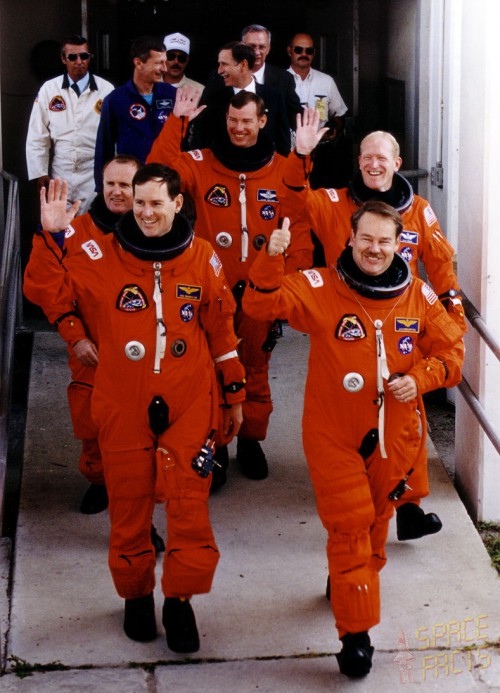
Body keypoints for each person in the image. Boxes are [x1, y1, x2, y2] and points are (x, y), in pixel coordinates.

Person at [243, 201, 464, 678]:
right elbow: (259, 304)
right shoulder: (321, 286)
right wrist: (270, 256)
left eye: (385, 241)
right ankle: (355, 636)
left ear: (399, 244)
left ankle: (346, 583)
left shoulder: (419, 296)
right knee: (351, 525)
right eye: (366, 239)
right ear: (350, 238)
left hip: (394, 438)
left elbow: (452, 352)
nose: (375, 249)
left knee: (375, 527)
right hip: (333, 434)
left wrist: (422, 377)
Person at [41, 163, 245, 651]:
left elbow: (222, 332)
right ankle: (136, 597)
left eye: (156, 203)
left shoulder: (201, 259)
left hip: (190, 399)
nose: (146, 212)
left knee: (188, 506)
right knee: (129, 503)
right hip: (122, 400)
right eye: (139, 203)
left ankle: (180, 602)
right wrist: (49, 238)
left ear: (178, 204)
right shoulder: (98, 255)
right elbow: (47, 288)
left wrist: (234, 394)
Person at [281, 110, 467, 539]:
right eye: (367, 156)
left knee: (407, 416)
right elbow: (291, 203)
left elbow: (440, 265)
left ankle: (407, 505)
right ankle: (353, 490)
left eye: (382, 157)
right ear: (358, 161)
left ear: (397, 163)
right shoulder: (331, 204)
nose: (374, 164)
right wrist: (300, 155)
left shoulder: (419, 210)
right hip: (343, 321)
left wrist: (452, 312)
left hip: (403, 321)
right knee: (346, 411)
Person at [148, 87, 312, 483]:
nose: (239, 129)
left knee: (255, 368)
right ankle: (216, 445)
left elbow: (300, 224)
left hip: (260, 290)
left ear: (262, 121)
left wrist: (288, 290)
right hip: (210, 289)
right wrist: (176, 123)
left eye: (246, 121)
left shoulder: (281, 168)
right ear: (225, 121)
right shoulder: (200, 163)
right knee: (210, 371)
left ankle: (251, 441)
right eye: (232, 121)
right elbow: (156, 175)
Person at [23, 155, 141, 516]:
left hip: (144, 354)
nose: (117, 192)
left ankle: (140, 489)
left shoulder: (158, 232)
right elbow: (43, 288)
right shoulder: (73, 232)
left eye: (126, 185)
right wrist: (75, 336)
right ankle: (100, 482)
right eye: (111, 184)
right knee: (93, 426)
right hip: (93, 352)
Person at [26, 34, 113, 215]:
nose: (79, 61)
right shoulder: (49, 89)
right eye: (72, 57)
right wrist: (39, 173)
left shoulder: (106, 90)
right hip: (61, 170)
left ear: (90, 57)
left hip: (93, 171)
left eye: (84, 56)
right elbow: (37, 135)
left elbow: (115, 136)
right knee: (58, 227)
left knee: (91, 227)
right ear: (63, 59)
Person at [94, 35, 176, 192]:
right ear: (139, 63)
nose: (165, 69)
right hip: (131, 183)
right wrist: (101, 188)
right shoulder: (115, 100)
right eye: (159, 63)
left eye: (165, 62)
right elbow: (104, 149)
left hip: (166, 181)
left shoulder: (173, 95)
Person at [192, 41, 291, 156]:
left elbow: (283, 143)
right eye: (219, 64)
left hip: (264, 170)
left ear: (243, 65)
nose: (219, 71)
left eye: (224, 64)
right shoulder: (214, 98)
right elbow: (202, 140)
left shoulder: (274, 96)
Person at [287, 32, 349, 188]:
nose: (303, 54)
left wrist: (335, 129)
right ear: (289, 51)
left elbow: (339, 115)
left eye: (308, 51)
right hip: (288, 153)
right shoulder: (279, 80)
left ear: (314, 54)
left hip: (321, 154)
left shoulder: (326, 81)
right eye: (298, 50)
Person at [241, 24, 301, 131]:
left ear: (268, 49)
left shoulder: (284, 79)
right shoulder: (224, 76)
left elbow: (295, 117)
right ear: (241, 47)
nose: (257, 52)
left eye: (262, 47)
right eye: (252, 47)